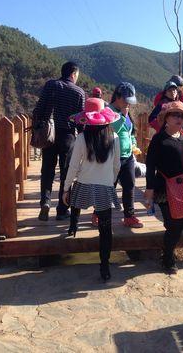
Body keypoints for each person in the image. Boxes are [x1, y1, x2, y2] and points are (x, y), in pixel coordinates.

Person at [63, 98, 121, 281]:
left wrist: (66, 188)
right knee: (105, 230)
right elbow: (117, 165)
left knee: (76, 203)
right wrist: (110, 183)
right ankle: (105, 268)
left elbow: (73, 166)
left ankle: (73, 226)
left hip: (84, 183)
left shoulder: (81, 137)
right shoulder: (115, 137)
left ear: (86, 119)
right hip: (104, 186)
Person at [144, 101, 183, 274]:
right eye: (175, 115)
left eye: (182, 115)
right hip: (165, 188)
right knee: (174, 227)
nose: (179, 118)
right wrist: (149, 190)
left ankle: (172, 227)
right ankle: (168, 257)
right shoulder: (159, 139)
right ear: (166, 118)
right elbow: (150, 166)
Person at [33, 61, 85, 221]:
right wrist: (83, 139)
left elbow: (39, 109)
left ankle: (45, 202)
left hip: (50, 134)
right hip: (68, 136)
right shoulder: (79, 92)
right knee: (65, 173)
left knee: (47, 170)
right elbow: (81, 120)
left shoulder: (50, 85)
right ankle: (62, 210)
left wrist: (37, 126)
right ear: (73, 74)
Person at [107, 82, 144, 228]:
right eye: (126, 99)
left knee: (129, 186)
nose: (128, 103)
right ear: (117, 96)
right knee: (110, 187)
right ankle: (98, 214)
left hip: (127, 156)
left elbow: (130, 131)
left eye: (130, 100)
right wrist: (123, 115)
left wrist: (133, 144)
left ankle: (129, 216)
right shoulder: (108, 110)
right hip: (113, 156)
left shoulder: (126, 111)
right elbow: (113, 128)